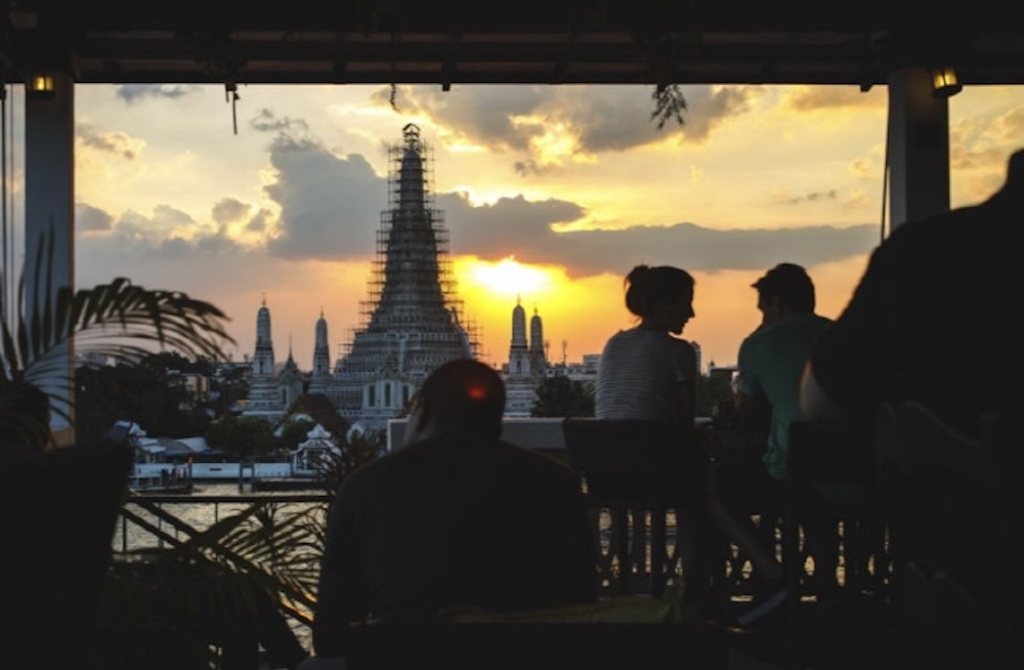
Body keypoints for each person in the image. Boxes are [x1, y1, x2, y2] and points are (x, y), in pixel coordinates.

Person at [305, 359, 598, 666]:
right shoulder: (557, 482)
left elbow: (330, 635)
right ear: (497, 421)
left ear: (421, 414)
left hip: (406, 659)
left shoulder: (367, 485)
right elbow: (581, 603)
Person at [594, 264, 785, 623]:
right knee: (711, 490)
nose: (692, 313)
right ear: (664, 305)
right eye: (686, 303)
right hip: (654, 469)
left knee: (697, 488)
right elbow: (683, 424)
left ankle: (698, 590)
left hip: (610, 473)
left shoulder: (613, 345)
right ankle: (732, 580)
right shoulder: (678, 350)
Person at [718, 263, 840, 607]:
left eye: (763, 311)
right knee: (818, 502)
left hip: (794, 473)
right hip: (860, 472)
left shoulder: (759, 344)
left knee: (717, 487)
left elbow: (746, 413)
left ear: (778, 304)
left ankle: (772, 572)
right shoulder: (843, 336)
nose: (762, 319)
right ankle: (829, 585)